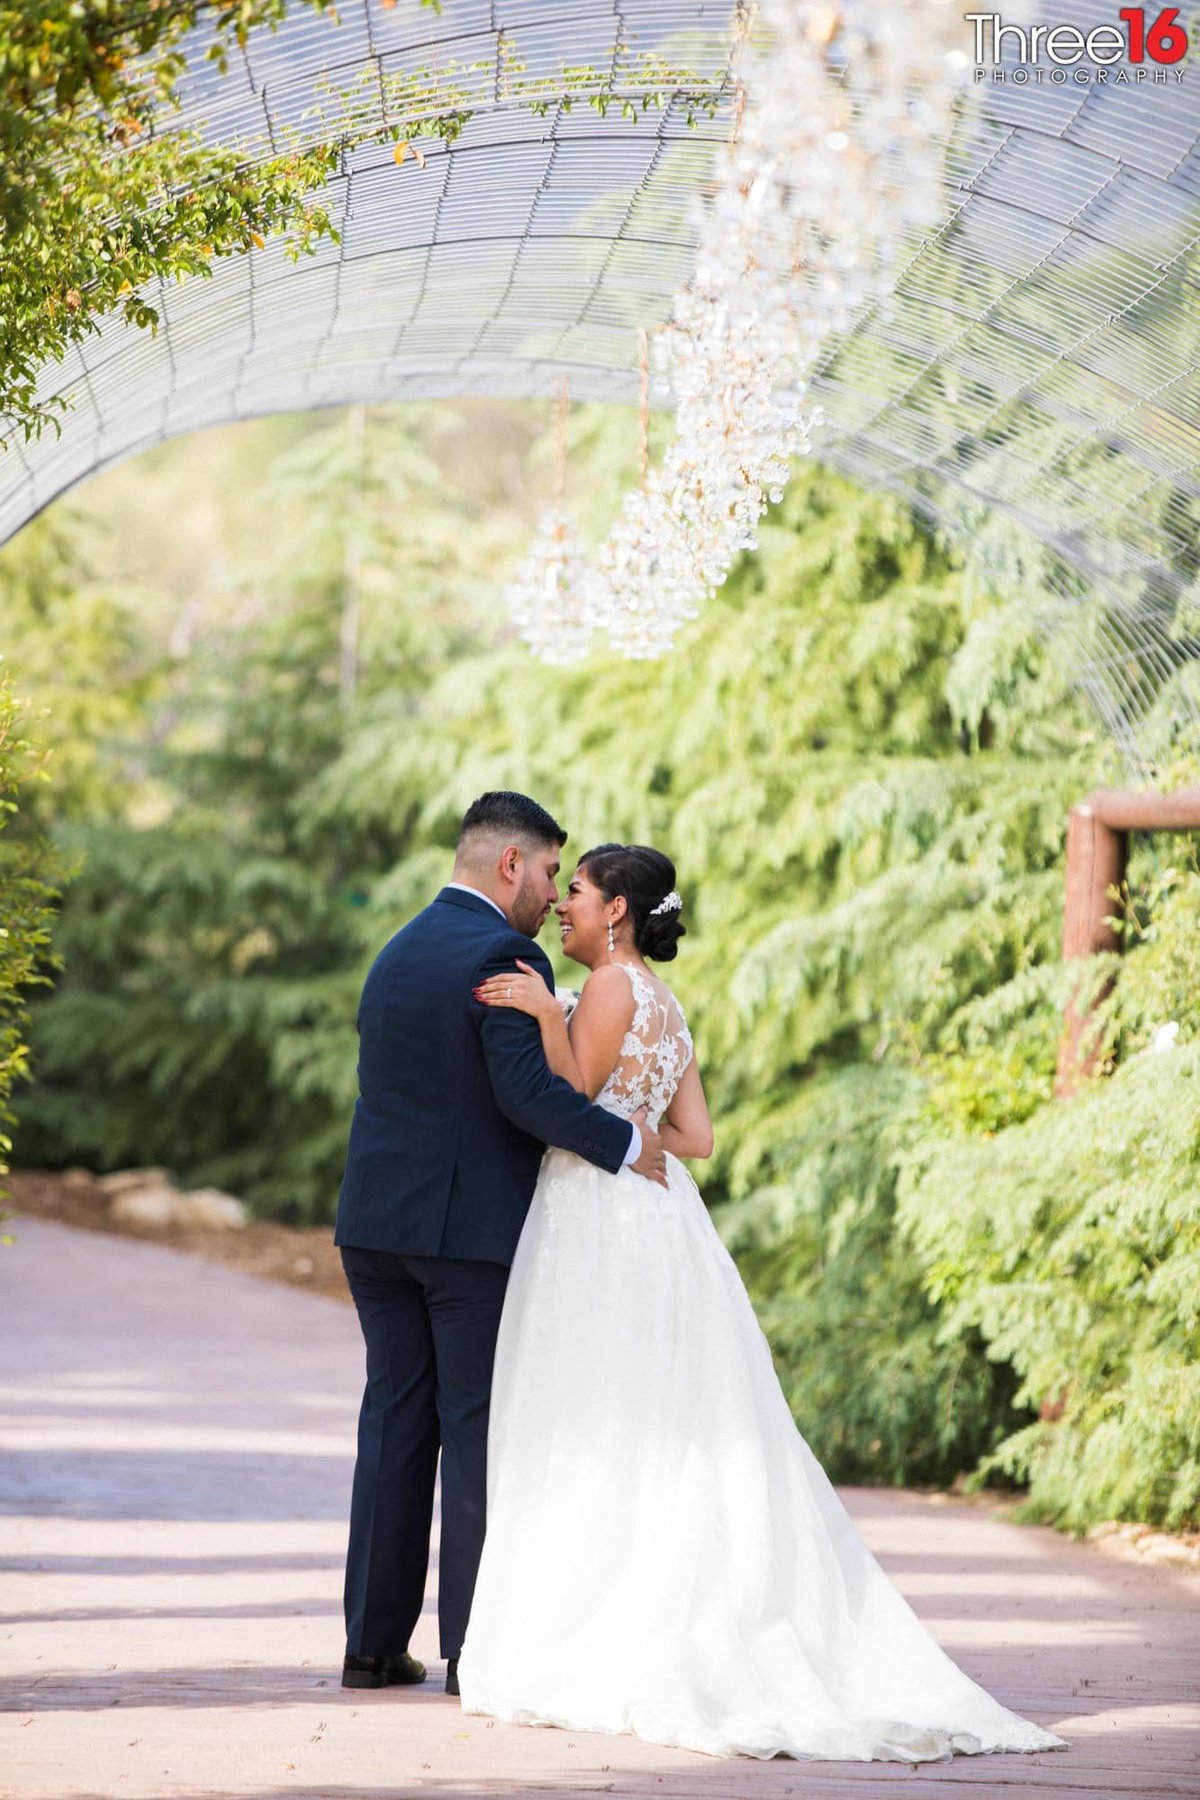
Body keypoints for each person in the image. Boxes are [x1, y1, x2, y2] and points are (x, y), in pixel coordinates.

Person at [457, 842, 1068, 1763]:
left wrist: (549, 1012)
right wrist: (633, 1114)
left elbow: (574, 1089)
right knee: (662, 1409)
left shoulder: (610, 991)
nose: (566, 908)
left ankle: (600, 1623)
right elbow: (696, 1136)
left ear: (617, 910)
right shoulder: (669, 1004)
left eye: (577, 894)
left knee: (597, 1406)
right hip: (666, 1222)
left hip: (599, 1217)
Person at [334, 795, 667, 1698]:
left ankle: (371, 1645)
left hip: (373, 1228)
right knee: (475, 1428)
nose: (556, 892)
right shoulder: (501, 953)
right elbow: (528, 1097)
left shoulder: (397, 949)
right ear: (511, 864)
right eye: (553, 871)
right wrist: (628, 1145)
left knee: (394, 1420)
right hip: (462, 1236)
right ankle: (471, 1651)